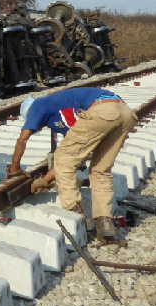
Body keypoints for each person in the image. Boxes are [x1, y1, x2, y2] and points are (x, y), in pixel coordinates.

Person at [8, 87, 137, 241]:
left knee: (61, 157)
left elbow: (23, 139)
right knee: (100, 170)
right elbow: (77, 157)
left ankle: (76, 213)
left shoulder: (38, 106)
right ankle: (105, 222)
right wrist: (46, 180)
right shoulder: (63, 113)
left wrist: (14, 168)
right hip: (126, 113)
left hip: (102, 110)